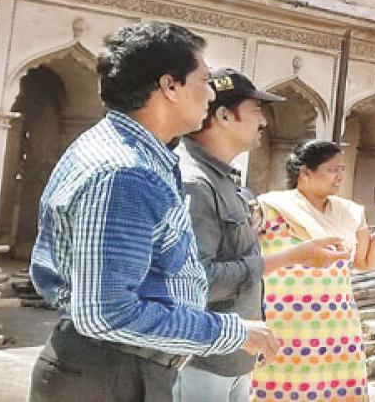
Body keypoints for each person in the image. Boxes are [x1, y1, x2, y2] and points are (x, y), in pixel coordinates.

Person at [29, 22, 280, 401]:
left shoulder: (141, 154)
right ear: (170, 86)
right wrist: (231, 332)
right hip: (111, 374)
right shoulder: (125, 171)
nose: (210, 94)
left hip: (125, 367)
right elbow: (108, 314)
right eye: (204, 80)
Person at [174, 69, 353, 402]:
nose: (264, 122)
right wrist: (292, 257)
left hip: (235, 356)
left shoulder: (225, 180)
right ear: (224, 116)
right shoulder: (195, 184)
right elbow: (197, 281)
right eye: (256, 110)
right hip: (200, 361)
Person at [252, 140, 375, 402]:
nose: (340, 176)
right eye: (332, 170)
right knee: (283, 388)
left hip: (336, 326)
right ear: (305, 172)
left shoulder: (350, 212)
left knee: (335, 391)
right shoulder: (270, 207)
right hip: (285, 323)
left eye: (342, 169)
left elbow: (366, 262)